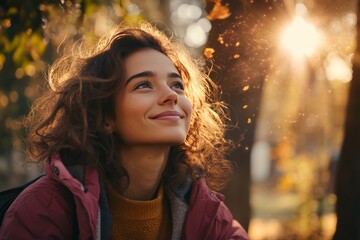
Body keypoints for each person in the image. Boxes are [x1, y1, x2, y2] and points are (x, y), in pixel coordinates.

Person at [0, 22, 248, 240]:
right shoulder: (43, 210)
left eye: (176, 85)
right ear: (105, 116)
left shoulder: (207, 213)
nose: (171, 95)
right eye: (143, 85)